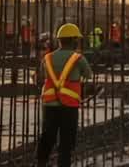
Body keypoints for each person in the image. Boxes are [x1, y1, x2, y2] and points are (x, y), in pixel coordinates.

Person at [37, 23, 94, 167]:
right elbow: (88, 74)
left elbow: (41, 76)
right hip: (69, 104)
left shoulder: (47, 58)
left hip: (49, 104)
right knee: (66, 140)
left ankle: (41, 163)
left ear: (59, 40)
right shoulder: (78, 58)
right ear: (74, 40)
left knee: (47, 136)